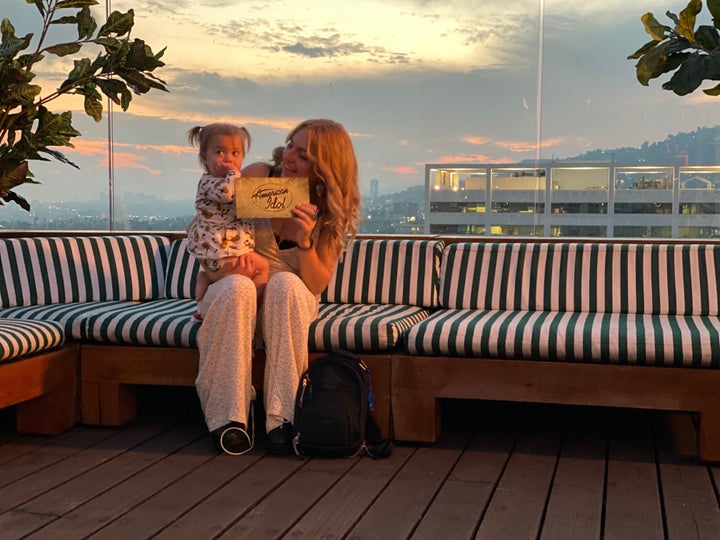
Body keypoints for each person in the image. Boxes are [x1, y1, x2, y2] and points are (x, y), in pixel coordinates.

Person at [194, 119, 361, 455]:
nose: (288, 157)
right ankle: (229, 419)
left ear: (324, 169)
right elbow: (210, 223)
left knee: (285, 282)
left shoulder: (328, 211)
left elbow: (315, 283)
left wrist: (304, 242)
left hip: (288, 302)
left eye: (303, 155)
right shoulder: (257, 176)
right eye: (289, 145)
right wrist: (220, 272)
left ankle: (283, 418)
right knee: (237, 287)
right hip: (238, 289)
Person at [185, 123, 270, 308]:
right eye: (219, 152)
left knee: (262, 268)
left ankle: (253, 307)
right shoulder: (208, 182)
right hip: (217, 249)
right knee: (251, 272)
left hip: (233, 247)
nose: (228, 159)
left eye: (235, 153)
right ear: (204, 159)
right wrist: (234, 173)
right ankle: (210, 279)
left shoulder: (237, 184)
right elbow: (226, 194)